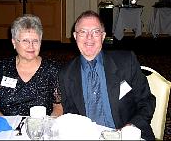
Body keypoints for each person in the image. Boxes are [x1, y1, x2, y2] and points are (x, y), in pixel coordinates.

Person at [58, 10, 156, 140]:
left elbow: (146, 101)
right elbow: (72, 115)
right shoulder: (66, 74)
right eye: (83, 32)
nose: (89, 37)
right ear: (75, 36)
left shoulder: (126, 62)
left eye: (95, 32)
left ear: (103, 36)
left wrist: (129, 127)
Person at [0, 14, 63, 117]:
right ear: (14, 42)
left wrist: (49, 124)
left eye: (35, 41)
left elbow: (59, 107)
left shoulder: (53, 70)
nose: (31, 46)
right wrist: (9, 126)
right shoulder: (1, 68)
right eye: (25, 41)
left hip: (41, 128)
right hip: (8, 128)